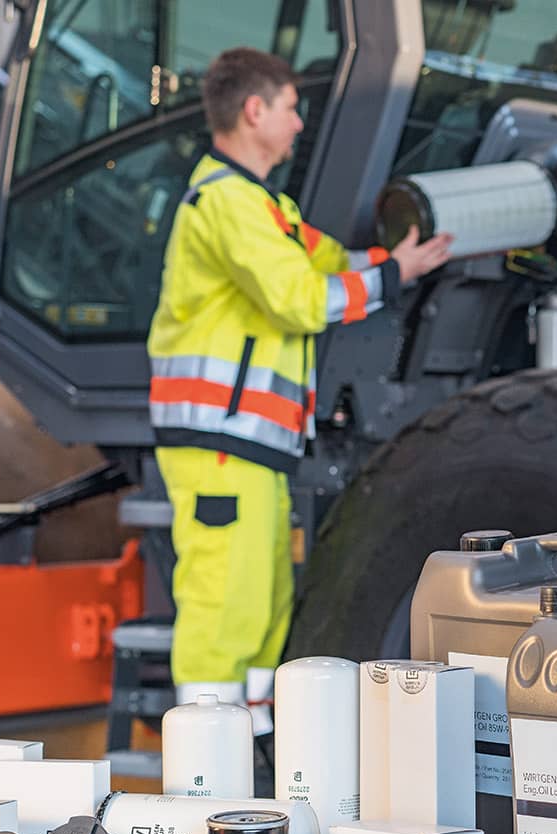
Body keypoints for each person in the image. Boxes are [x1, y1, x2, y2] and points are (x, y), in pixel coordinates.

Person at [146, 48, 453, 739]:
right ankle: (204, 757)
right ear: (254, 111)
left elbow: (330, 263)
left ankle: (252, 742)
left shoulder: (264, 207)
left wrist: (400, 262)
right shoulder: (227, 203)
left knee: (261, 603)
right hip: (220, 441)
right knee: (224, 603)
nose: (298, 122)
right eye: (290, 107)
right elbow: (300, 298)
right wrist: (393, 276)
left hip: (253, 443)